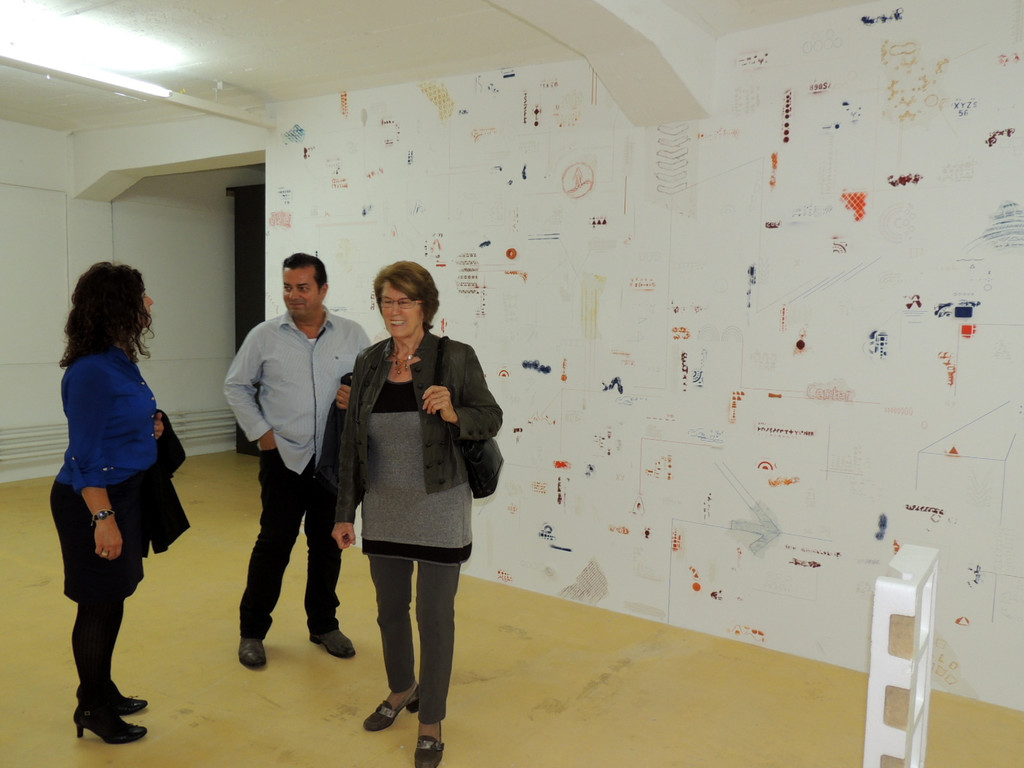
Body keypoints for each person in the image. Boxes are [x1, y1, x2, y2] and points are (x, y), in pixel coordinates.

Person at [332, 261, 502, 768]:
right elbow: (350, 443)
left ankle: (431, 721)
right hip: (384, 506)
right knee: (389, 610)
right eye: (386, 301)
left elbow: (491, 416)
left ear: (425, 306)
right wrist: (345, 512)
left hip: (440, 505)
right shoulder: (369, 361)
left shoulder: (456, 357)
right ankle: (401, 687)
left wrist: (454, 411)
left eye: (404, 301)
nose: (394, 310)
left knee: (434, 616)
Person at [225, 253, 370, 668]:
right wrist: (262, 434)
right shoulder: (264, 336)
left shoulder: (353, 334)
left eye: (303, 287)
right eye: (288, 287)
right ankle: (252, 632)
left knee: (327, 546)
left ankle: (323, 625)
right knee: (273, 545)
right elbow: (236, 386)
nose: (294, 295)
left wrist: (356, 396)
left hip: (333, 462)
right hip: (283, 459)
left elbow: (372, 386)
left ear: (323, 290)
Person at [50, 262, 163, 744]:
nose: (150, 303)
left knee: (113, 597)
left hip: (123, 492)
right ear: (118, 306)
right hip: (94, 501)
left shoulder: (118, 359)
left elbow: (115, 422)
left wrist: (148, 426)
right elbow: (85, 454)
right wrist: (103, 517)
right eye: (142, 296)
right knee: (97, 604)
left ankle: (100, 688)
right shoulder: (91, 371)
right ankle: (92, 708)